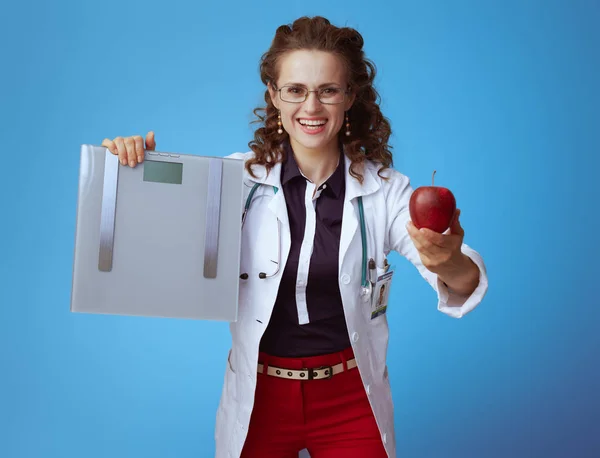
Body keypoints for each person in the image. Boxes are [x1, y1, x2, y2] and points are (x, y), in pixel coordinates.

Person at [101, 16, 488, 458]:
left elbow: (462, 282)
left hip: (349, 396)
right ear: (274, 96)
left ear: (349, 97)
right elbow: (154, 249)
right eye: (296, 90)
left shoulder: (385, 190)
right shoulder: (234, 181)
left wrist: (445, 261)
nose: (312, 106)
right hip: (261, 394)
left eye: (328, 90)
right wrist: (132, 171)